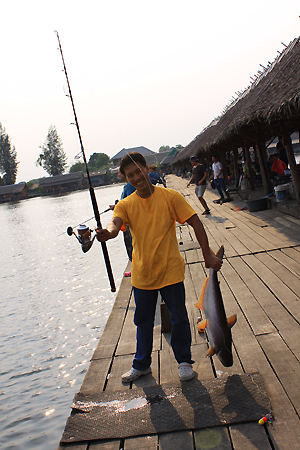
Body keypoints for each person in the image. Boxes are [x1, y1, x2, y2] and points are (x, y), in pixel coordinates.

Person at [96, 152, 222, 383]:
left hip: (170, 270)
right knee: (143, 322)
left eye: (138, 171)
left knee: (179, 318)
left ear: (147, 168)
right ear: (126, 179)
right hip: (142, 275)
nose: (136, 177)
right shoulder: (125, 204)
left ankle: (184, 361)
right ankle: (142, 364)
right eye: (130, 175)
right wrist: (108, 233)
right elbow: (115, 224)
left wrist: (207, 254)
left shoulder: (170, 197)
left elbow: (195, 221)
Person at [109, 169, 135, 265]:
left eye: (119, 172)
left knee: (131, 245)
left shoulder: (130, 186)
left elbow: (130, 203)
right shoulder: (126, 186)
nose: (118, 174)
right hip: (126, 220)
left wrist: (116, 207)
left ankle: (135, 267)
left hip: (129, 221)